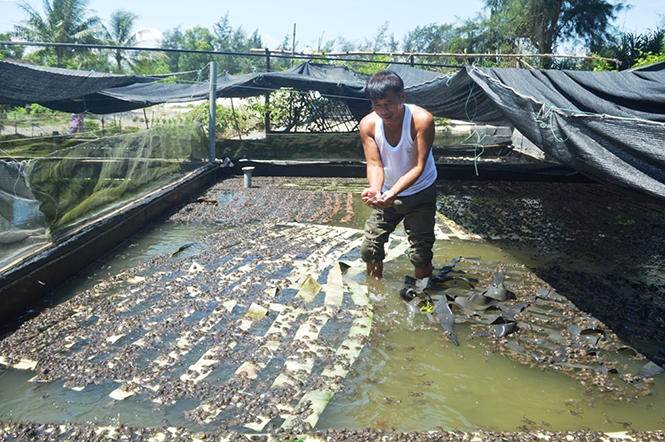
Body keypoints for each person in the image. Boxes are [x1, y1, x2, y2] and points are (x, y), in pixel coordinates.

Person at [359, 70, 438, 281]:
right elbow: (375, 164)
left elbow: (417, 166)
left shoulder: (422, 120)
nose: (383, 110)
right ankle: (374, 294)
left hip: (420, 192)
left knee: (420, 254)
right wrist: (376, 190)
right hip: (386, 194)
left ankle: (423, 297)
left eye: (388, 103)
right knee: (370, 248)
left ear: (402, 97)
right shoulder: (368, 124)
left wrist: (393, 192)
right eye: (377, 105)